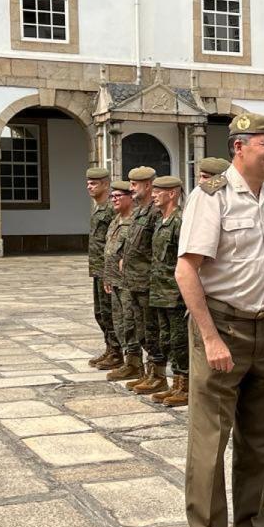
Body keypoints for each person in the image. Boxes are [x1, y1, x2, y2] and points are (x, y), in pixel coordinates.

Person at [176, 112, 264, 527]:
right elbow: (187, 271)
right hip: (223, 327)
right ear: (239, 147)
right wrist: (210, 338)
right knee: (210, 439)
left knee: (260, 438)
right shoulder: (212, 198)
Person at [109, 166, 165, 385]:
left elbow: (157, 249)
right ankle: (145, 371)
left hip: (147, 282)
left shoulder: (154, 212)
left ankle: (157, 375)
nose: (131, 188)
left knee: (152, 331)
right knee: (138, 329)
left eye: (134, 185)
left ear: (148, 185)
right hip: (133, 281)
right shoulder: (140, 210)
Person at [136, 175, 188, 406]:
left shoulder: (179, 221)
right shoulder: (160, 220)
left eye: (159, 191)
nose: (154, 195)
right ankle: (172, 382)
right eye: (153, 190)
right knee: (165, 339)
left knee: (179, 341)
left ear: (173, 193)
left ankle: (184, 385)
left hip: (175, 294)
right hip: (158, 291)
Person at [86, 166, 122, 370]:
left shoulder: (110, 209)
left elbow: (114, 241)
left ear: (106, 185)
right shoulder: (98, 208)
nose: (89, 186)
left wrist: (111, 271)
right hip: (98, 269)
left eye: (94, 183)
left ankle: (117, 352)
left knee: (110, 312)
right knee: (100, 312)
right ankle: (110, 348)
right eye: (88, 183)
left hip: (107, 269)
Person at [103, 181, 136, 373]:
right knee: (119, 321)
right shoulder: (115, 220)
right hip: (114, 280)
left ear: (130, 198)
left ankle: (134, 363)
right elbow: (110, 251)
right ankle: (126, 360)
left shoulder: (134, 221)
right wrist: (107, 277)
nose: (114, 199)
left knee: (130, 321)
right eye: (112, 196)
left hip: (128, 282)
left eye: (118, 196)